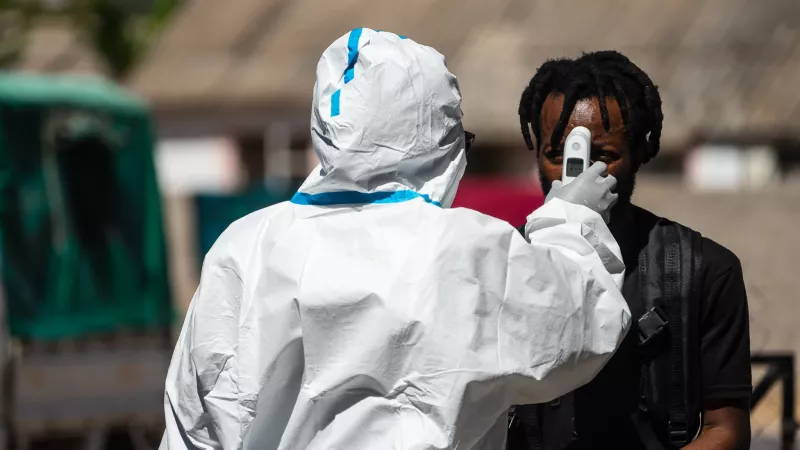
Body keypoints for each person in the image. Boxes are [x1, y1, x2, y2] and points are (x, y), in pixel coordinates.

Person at [160, 29, 631, 450]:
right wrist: (573, 218)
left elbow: (192, 422)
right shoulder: (463, 248)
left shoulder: (244, 246)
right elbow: (583, 325)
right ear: (437, 140)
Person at [509, 51, 752, 450]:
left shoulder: (706, 270)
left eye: (602, 156)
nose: (579, 175)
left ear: (642, 151)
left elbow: (725, 430)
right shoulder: (497, 261)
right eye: (559, 157)